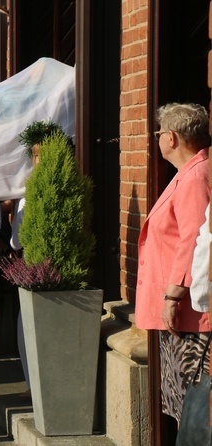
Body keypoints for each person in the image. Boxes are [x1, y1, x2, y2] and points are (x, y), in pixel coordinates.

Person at [135, 102, 211, 425]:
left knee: (192, 408)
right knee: (187, 407)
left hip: (188, 314)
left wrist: (172, 296)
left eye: (159, 132)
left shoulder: (195, 177)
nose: (157, 139)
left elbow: (194, 239)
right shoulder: (191, 172)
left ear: (173, 138)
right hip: (184, 312)